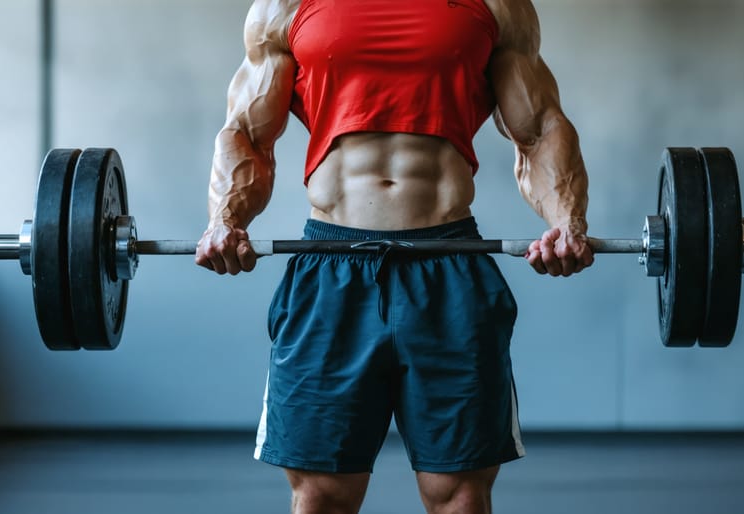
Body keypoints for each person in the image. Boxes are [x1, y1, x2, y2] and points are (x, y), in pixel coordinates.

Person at [195, 0, 594, 512]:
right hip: (331, 266)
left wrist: (566, 222)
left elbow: (539, 128)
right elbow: (247, 134)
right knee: (320, 494)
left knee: (460, 494)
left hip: (447, 264)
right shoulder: (284, 6)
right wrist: (226, 221)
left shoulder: (496, 4)